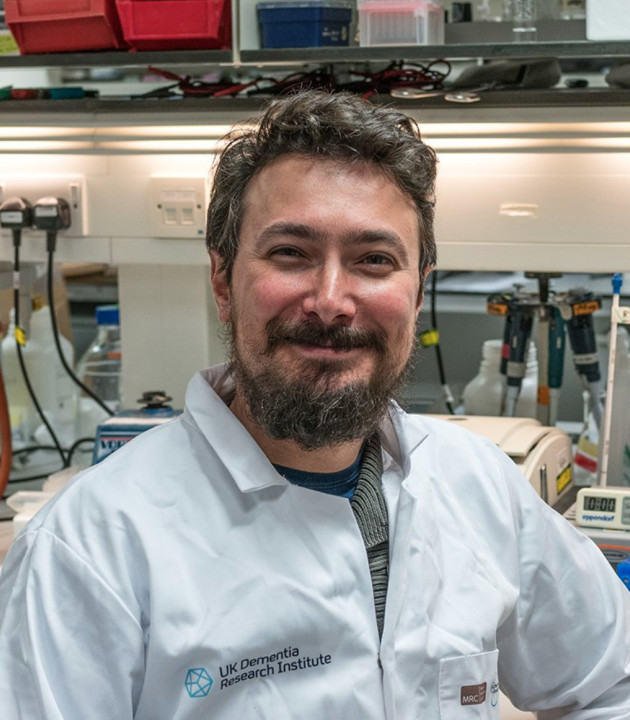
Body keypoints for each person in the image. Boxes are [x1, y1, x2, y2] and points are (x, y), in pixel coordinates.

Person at [0, 90, 629, 720]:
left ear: (417, 294)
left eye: (374, 261)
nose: (331, 299)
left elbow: (611, 683)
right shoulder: (89, 549)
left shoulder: (482, 490)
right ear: (222, 282)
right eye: (290, 254)